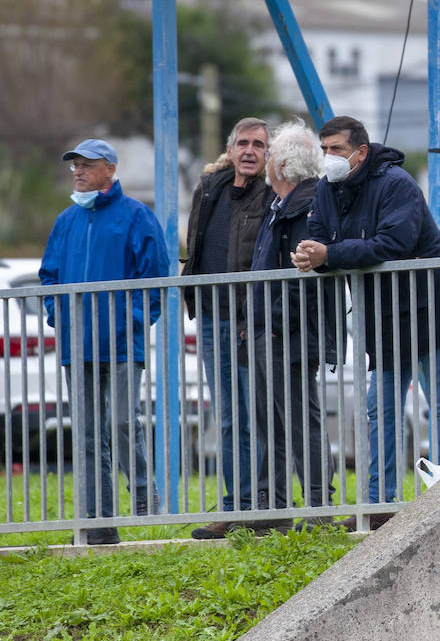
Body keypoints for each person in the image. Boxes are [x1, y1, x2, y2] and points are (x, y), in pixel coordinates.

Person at [292, 116, 440, 526]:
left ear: (361, 152)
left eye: (336, 149)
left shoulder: (396, 184)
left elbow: (393, 243)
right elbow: (319, 236)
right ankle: (377, 506)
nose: (329, 158)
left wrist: (329, 256)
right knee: (380, 409)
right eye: (325, 149)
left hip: (432, 307)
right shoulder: (327, 188)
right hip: (385, 316)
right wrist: (310, 256)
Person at [40, 139, 168, 545]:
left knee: (123, 422)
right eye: (74, 165)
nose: (78, 171)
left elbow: (154, 278)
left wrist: (129, 320)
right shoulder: (66, 221)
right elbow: (49, 276)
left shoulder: (135, 216)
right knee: (89, 433)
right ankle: (100, 522)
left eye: (87, 165)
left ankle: (146, 497)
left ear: (110, 169)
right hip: (76, 347)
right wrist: (58, 317)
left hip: (121, 345)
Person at [184, 117, 274, 540]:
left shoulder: (273, 193)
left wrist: (252, 316)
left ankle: (260, 508)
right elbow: (196, 245)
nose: (250, 150)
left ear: (268, 152)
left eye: (258, 144)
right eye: (243, 143)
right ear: (231, 148)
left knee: (255, 416)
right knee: (226, 418)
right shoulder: (210, 188)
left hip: (248, 323)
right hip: (210, 317)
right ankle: (234, 506)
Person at [247, 120, 339, 525]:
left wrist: (276, 325)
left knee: (301, 421)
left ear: (281, 166)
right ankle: (274, 509)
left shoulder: (306, 208)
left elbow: (302, 275)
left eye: (269, 156)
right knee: (275, 423)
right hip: (275, 331)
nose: (265, 163)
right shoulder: (283, 206)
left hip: (290, 334)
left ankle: (319, 508)